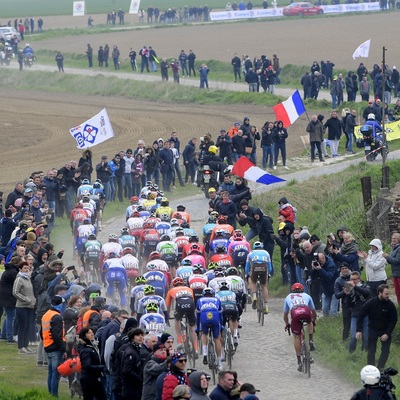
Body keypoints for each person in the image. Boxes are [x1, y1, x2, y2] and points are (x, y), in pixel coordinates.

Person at [356, 284, 398, 370]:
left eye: (388, 294)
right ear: (380, 293)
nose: (388, 296)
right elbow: (361, 315)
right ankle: (371, 369)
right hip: (373, 328)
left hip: (385, 329)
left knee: (386, 351)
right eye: (386, 294)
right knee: (371, 351)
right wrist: (358, 330)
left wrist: (387, 333)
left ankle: (380, 368)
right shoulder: (371, 303)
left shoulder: (390, 305)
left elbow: (393, 320)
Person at [283, 283, 317, 372]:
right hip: (305, 311)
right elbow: (314, 312)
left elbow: (285, 315)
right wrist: (313, 321)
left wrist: (287, 324)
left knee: (297, 337)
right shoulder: (307, 295)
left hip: (295, 313)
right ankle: (311, 340)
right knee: (309, 322)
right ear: (303, 290)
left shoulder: (288, 297)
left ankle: (299, 360)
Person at [41, 295, 66, 397]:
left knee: (51, 373)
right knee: (56, 374)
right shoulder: (56, 317)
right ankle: (54, 395)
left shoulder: (46, 315)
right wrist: (63, 349)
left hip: (47, 346)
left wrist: (46, 342)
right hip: (55, 348)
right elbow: (57, 335)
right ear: (59, 304)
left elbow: (41, 332)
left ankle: (50, 394)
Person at [343, 271, 371, 353]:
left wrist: (355, 286)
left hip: (365, 315)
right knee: (353, 336)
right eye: (351, 279)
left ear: (359, 279)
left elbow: (366, 293)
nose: (352, 281)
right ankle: (351, 354)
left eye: (354, 279)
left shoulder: (365, 286)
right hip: (355, 315)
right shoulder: (350, 288)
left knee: (365, 337)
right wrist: (347, 295)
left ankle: (364, 353)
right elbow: (349, 304)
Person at [13, 261, 36, 354]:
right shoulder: (19, 279)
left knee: (28, 326)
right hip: (21, 306)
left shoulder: (28, 278)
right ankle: (20, 346)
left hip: (30, 306)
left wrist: (33, 300)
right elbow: (15, 292)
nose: (27, 270)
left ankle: (26, 345)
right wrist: (25, 299)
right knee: (22, 326)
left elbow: (31, 291)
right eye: (25, 268)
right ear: (20, 269)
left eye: (27, 268)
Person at [77, 327, 107, 400]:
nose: (92, 334)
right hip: (89, 379)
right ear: (84, 336)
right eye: (89, 333)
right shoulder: (86, 350)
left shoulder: (92, 346)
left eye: (92, 332)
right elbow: (87, 366)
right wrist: (102, 367)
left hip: (95, 377)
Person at [382, 232, 400, 304]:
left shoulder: (399, 248)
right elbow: (390, 261)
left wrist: (387, 256)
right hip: (395, 273)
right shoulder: (393, 248)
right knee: (397, 292)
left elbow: (397, 261)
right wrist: (386, 257)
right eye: (392, 238)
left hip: (399, 272)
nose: (393, 240)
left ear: (398, 239)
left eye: (395, 238)